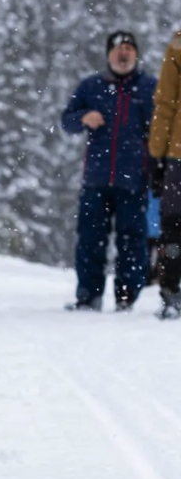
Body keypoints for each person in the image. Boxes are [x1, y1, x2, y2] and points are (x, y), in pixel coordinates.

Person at [60, 31, 156, 312]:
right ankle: (88, 296)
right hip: (96, 179)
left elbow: (159, 130)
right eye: (118, 49)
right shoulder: (92, 86)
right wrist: (83, 118)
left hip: (133, 180)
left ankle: (127, 297)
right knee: (90, 240)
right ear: (108, 54)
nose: (123, 54)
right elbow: (67, 121)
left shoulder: (149, 88)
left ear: (136, 54)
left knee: (132, 241)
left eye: (129, 49)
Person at [149, 26, 181, 320]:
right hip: (177, 153)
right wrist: (157, 154)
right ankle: (171, 291)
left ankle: (172, 291)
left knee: (174, 226)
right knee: (173, 226)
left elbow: (165, 103)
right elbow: (165, 103)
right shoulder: (178, 45)